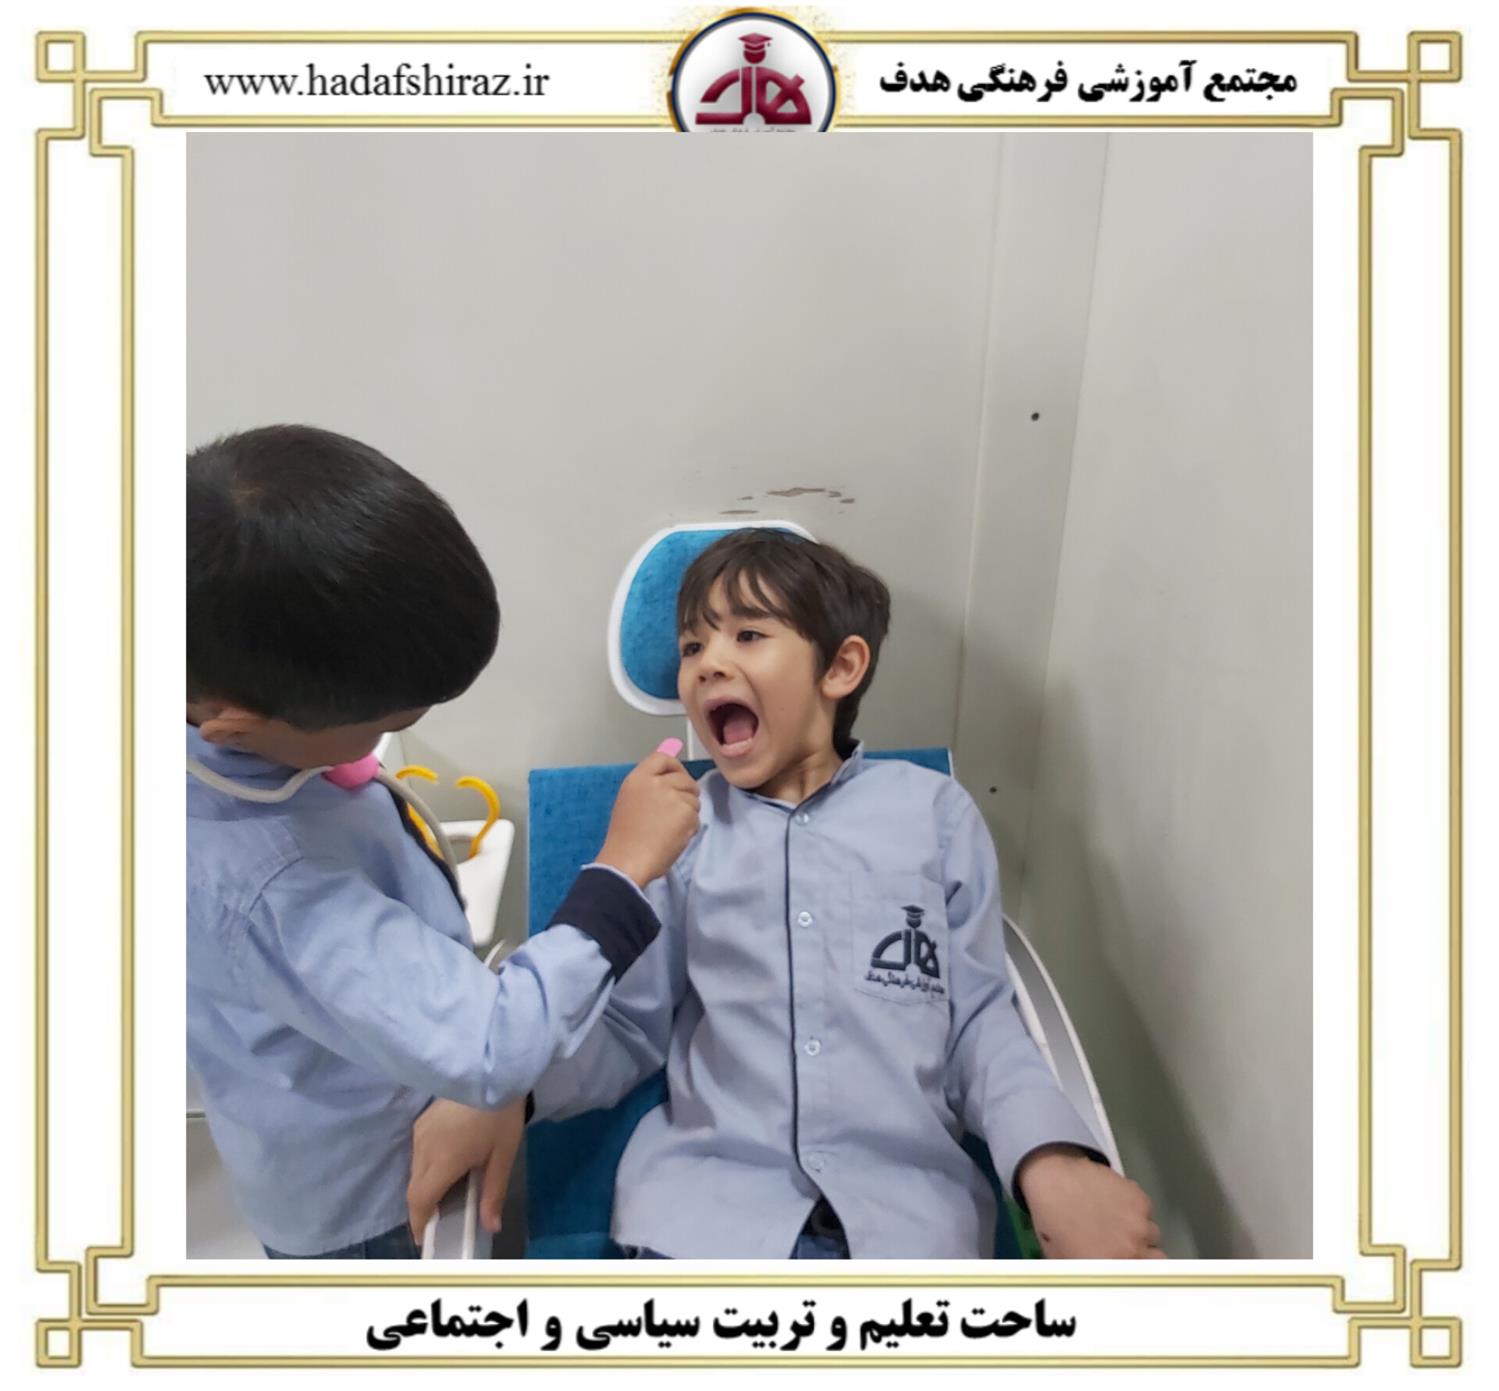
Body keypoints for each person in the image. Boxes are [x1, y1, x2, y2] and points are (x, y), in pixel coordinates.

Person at [417, 528, 1162, 1259]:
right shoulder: (677, 829)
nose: (708, 663)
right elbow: (626, 1027)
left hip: (910, 1230)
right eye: (692, 646)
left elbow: (978, 1022)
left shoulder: (933, 813)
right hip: (703, 1224)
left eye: (747, 635)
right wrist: (511, 1086)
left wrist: (1050, 1158)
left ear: (840, 667)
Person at [186, 424, 698, 1258]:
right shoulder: (262, 882)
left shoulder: (200, 669)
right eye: (382, 724)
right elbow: (493, 1045)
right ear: (237, 724)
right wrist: (623, 867)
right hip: (372, 1200)